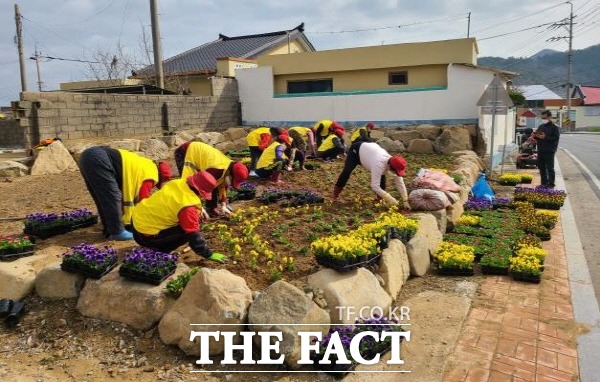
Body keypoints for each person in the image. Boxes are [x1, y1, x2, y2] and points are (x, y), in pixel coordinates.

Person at [131, 171, 228, 263]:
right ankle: (159, 251)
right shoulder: (187, 207)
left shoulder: (178, 183)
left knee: (187, 223)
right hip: (144, 236)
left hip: (136, 221)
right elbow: (194, 236)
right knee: (186, 232)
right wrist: (208, 254)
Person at [79, 146, 172, 240]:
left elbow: (132, 192)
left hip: (87, 157)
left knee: (102, 197)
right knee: (113, 197)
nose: (154, 186)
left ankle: (109, 228)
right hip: (99, 159)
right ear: (160, 177)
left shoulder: (145, 164)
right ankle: (117, 232)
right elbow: (144, 200)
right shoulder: (151, 174)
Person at [174, 141, 249, 216]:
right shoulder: (216, 170)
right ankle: (185, 209)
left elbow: (222, 185)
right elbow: (195, 185)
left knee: (211, 184)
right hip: (185, 151)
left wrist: (223, 204)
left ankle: (211, 208)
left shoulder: (227, 167)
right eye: (232, 181)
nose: (231, 184)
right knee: (189, 184)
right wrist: (199, 207)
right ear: (230, 174)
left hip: (199, 155)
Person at [333, 141, 410, 209]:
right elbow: (374, 186)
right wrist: (390, 198)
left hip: (370, 153)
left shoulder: (393, 163)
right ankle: (335, 195)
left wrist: (405, 200)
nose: (395, 173)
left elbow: (399, 182)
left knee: (382, 176)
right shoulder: (379, 163)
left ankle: (379, 199)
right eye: (395, 171)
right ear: (390, 166)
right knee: (347, 171)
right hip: (356, 151)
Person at [533, 110, 560, 188]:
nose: (543, 119)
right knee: (541, 167)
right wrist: (535, 135)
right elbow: (538, 136)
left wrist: (545, 137)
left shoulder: (554, 127)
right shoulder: (541, 126)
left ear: (549, 117)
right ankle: (543, 183)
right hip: (541, 149)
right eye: (542, 118)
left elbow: (556, 138)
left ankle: (551, 184)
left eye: (545, 117)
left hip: (549, 150)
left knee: (550, 168)